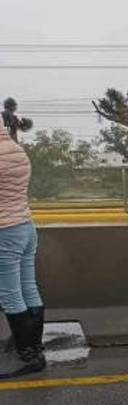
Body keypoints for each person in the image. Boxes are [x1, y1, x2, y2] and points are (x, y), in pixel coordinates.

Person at [0, 124, 45, 378]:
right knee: (28, 287)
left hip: (5, 230)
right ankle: (35, 348)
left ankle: (27, 356)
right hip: (26, 227)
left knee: (10, 294)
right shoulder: (16, 150)